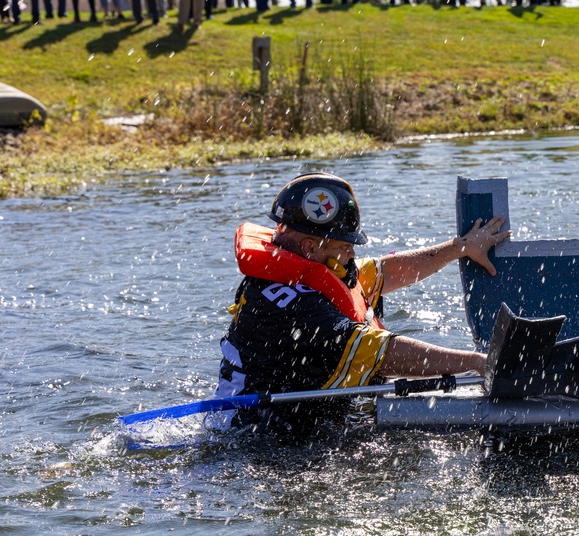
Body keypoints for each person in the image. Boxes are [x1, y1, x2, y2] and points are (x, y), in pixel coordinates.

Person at [212, 173, 511, 404]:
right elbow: (385, 354)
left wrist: (461, 248)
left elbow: (385, 272)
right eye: (345, 246)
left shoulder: (312, 267)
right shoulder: (293, 307)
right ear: (310, 247)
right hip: (264, 441)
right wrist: (478, 363)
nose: (352, 254)